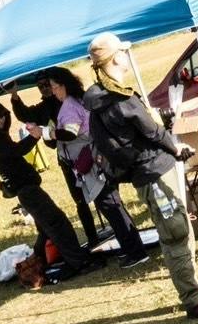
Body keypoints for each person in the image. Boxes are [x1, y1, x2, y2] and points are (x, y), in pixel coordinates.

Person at [86, 32, 198, 319]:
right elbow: (152, 131)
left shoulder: (98, 102)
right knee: (175, 234)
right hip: (154, 173)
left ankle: (194, 287)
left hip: (146, 174)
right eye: (123, 52)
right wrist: (175, 147)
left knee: (177, 229)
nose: (127, 55)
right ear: (115, 58)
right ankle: (193, 299)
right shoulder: (119, 99)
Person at [40, 66, 150, 268]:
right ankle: (133, 248)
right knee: (114, 205)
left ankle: (136, 251)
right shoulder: (81, 100)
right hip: (101, 157)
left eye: (55, 87)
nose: (53, 91)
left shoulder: (69, 106)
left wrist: (46, 133)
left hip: (92, 164)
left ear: (63, 85)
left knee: (111, 206)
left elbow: (71, 133)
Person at [0, 98, 93, 276]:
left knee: (45, 229)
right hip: (27, 190)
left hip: (28, 189)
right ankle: (78, 261)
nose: (2, 119)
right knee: (58, 223)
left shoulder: (0, 137)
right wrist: (35, 137)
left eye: (4, 115)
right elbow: (16, 151)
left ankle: (36, 263)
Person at [11, 76, 100, 248]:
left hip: (86, 151)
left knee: (102, 194)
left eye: (47, 84)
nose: (44, 88)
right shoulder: (45, 107)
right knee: (80, 200)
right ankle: (93, 238)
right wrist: (14, 95)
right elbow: (25, 115)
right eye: (40, 86)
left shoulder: (70, 100)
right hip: (67, 160)